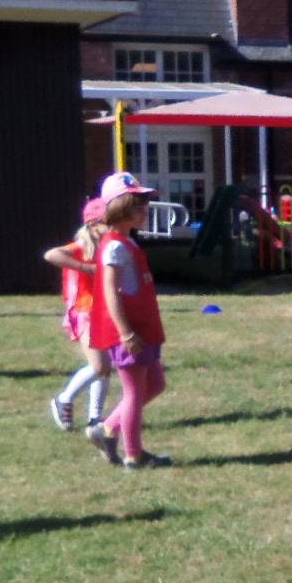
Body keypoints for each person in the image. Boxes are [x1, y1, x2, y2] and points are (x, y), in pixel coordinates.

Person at [87, 172, 172, 470]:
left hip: (144, 329)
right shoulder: (114, 246)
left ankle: (107, 429)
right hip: (130, 333)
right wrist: (125, 333)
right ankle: (134, 455)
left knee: (156, 384)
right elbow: (110, 292)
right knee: (134, 392)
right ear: (119, 208)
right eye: (137, 205)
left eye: (144, 204)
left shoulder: (127, 243)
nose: (144, 211)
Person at [43, 197, 111, 435]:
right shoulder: (82, 245)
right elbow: (51, 255)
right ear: (93, 224)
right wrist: (86, 268)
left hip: (104, 311)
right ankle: (64, 399)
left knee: (105, 367)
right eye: (109, 222)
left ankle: (95, 417)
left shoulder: (110, 245)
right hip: (85, 312)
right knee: (99, 365)